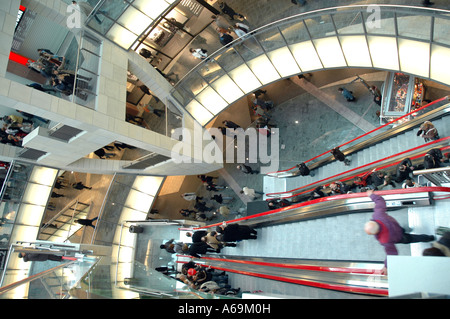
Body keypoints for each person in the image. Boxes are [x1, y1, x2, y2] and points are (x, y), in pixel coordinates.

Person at [364, 190, 434, 275]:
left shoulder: (384, 240)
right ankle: (428, 237)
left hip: (400, 237)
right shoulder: (378, 215)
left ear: (376, 233)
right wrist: (372, 195)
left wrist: (386, 266)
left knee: (413, 238)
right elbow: (380, 202)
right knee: (405, 231)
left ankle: (428, 239)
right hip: (396, 226)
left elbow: (392, 253)